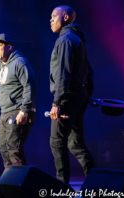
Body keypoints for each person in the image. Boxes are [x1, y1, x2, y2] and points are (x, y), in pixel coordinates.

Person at [49, 5, 96, 184]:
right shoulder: (77, 38)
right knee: (75, 143)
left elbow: (63, 72)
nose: (51, 20)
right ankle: (96, 182)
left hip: (68, 96)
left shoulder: (66, 39)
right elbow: (89, 68)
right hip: (79, 94)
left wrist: (57, 101)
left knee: (57, 142)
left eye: (54, 16)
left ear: (66, 17)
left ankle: (61, 186)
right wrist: (87, 92)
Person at [0, 33, 36, 168]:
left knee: (14, 148)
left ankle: (21, 184)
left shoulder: (19, 62)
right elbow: (4, 89)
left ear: (9, 47)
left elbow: (30, 86)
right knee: (2, 147)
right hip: (5, 112)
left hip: (18, 110)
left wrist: (24, 111)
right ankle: (10, 182)